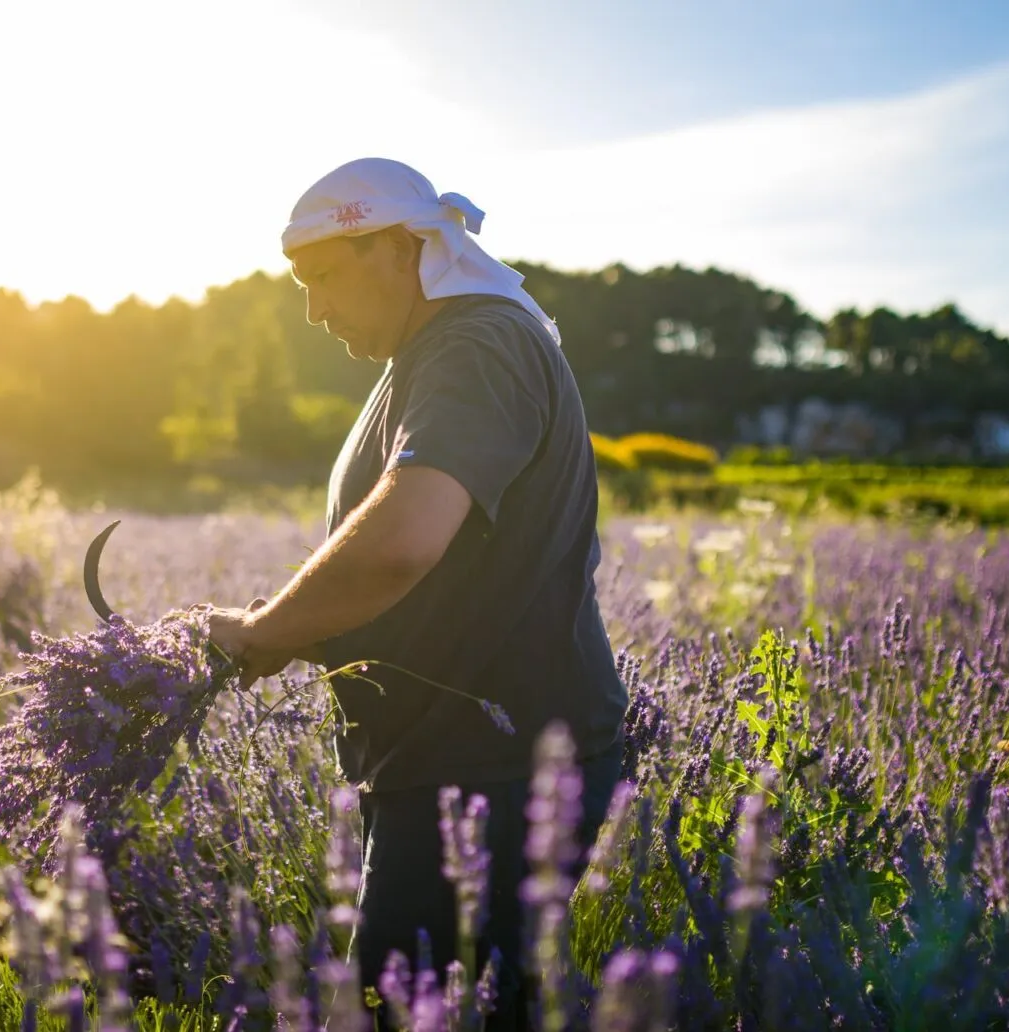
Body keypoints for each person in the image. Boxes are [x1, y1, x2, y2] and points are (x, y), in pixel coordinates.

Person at [201, 157, 628, 1031]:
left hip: (492, 770)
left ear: (402, 248)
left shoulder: (475, 344)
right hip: (451, 762)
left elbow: (402, 540)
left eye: (324, 276)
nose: (314, 310)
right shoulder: (436, 352)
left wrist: (263, 633)